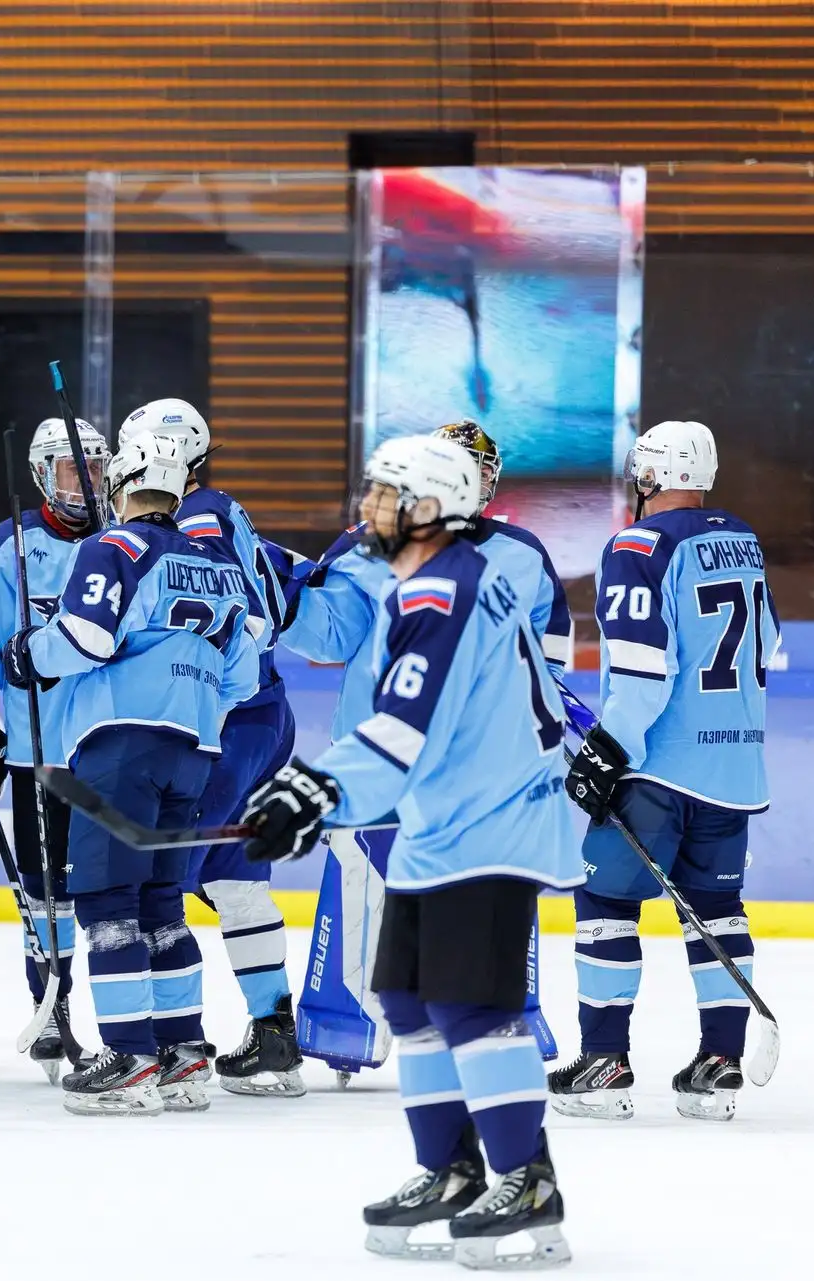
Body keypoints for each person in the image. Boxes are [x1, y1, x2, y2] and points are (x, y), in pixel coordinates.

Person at [244, 434, 580, 1270]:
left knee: (473, 1007)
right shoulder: (447, 575)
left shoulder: (442, 589)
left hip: (491, 824)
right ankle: (450, 1169)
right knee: (404, 994)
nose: (369, 507)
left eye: (386, 494)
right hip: (444, 821)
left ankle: (527, 1180)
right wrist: (326, 795)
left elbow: (403, 726)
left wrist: (315, 788)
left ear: (431, 508)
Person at [277, 420, 570, 1081]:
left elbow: (547, 652)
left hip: (474, 763)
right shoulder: (372, 543)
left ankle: (499, 1022)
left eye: (481, 469)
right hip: (385, 753)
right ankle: (350, 1026)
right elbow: (332, 634)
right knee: (368, 885)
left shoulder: (524, 554)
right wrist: (286, 599)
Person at [3, 433, 259, 1116]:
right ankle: (182, 1052)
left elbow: (86, 638)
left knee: (109, 903)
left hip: (121, 742)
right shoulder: (220, 564)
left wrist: (31, 651)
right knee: (161, 904)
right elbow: (242, 676)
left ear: (120, 485)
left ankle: (129, 1057)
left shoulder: (112, 546)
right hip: (194, 747)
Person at [550, 420, 777, 1124]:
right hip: (735, 766)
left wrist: (606, 751)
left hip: (659, 766)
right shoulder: (742, 539)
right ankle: (720, 1062)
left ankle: (605, 1061)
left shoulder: (638, 546)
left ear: (648, 475)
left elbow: (644, 674)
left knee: (606, 903)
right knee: (717, 909)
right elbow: (768, 641)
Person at [116, 397, 304, 1098]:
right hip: (262, 717)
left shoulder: (192, 521)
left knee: (153, 881)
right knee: (233, 880)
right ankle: (274, 1036)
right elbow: (279, 595)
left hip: (226, 721)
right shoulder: (221, 509)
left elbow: (245, 621)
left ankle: (168, 1045)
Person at [0, 415, 108, 1079]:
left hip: (110, 745)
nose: (87, 480)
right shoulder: (8, 544)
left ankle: (136, 1022)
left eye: (95, 466)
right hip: (39, 751)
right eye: (73, 467)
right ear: (42, 474)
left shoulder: (125, 539)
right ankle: (53, 1006)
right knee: (45, 895)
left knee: (116, 891)